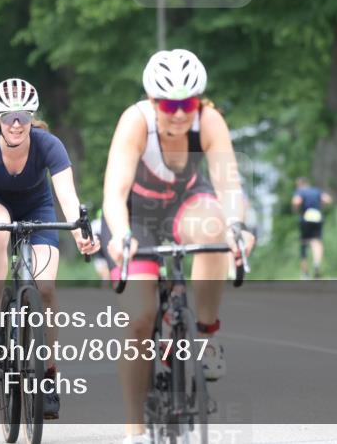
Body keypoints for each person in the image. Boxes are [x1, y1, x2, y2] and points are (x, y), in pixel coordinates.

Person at [102, 49, 255, 444]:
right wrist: (121, 235)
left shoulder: (209, 121)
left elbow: (229, 185)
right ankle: (134, 429)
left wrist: (237, 227)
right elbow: (114, 192)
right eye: (169, 104)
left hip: (186, 204)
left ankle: (205, 335)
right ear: (154, 102)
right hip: (137, 216)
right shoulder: (135, 123)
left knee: (214, 229)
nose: (178, 113)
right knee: (139, 317)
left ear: (198, 101)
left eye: (187, 103)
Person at [0, 78, 99, 420]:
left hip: (38, 209)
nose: (16, 123)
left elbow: (67, 196)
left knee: (47, 289)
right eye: (7, 116)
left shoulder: (49, 144)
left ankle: (48, 373)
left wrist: (81, 232)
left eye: (23, 115)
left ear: (31, 117)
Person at [291, 176, 333, 279]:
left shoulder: (300, 192)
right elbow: (328, 199)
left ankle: (305, 273)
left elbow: (296, 202)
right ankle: (316, 263)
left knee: (304, 245)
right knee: (316, 242)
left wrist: (297, 210)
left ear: (300, 185)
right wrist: (321, 206)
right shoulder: (316, 191)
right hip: (317, 217)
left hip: (305, 218)